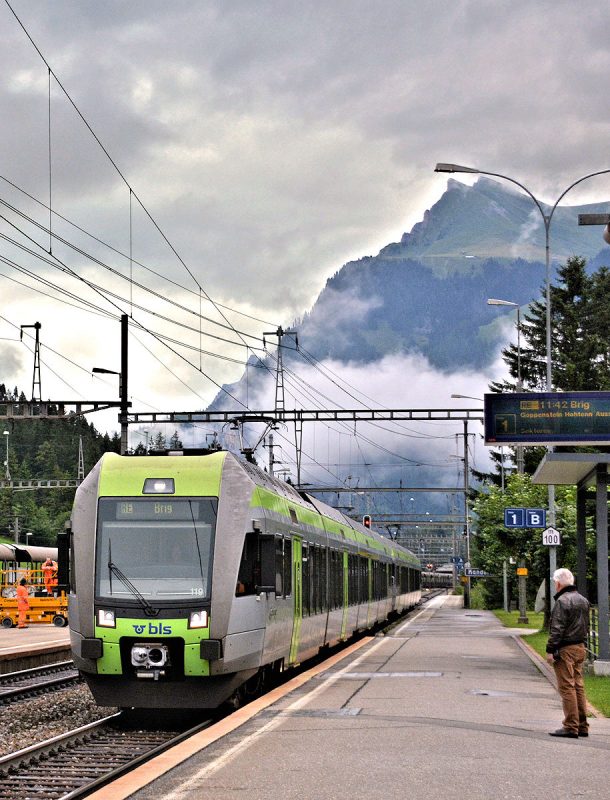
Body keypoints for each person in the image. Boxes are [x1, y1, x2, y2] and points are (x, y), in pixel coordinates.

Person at [545, 567, 590, 738]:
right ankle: (582, 725)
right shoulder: (583, 600)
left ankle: (571, 726)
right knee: (578, 686)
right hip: (580, 647)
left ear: (557, 584)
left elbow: (557, 629)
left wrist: (550, 650)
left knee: (567, 687)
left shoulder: (562, 601)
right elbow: (586, 625)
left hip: (565, 649)